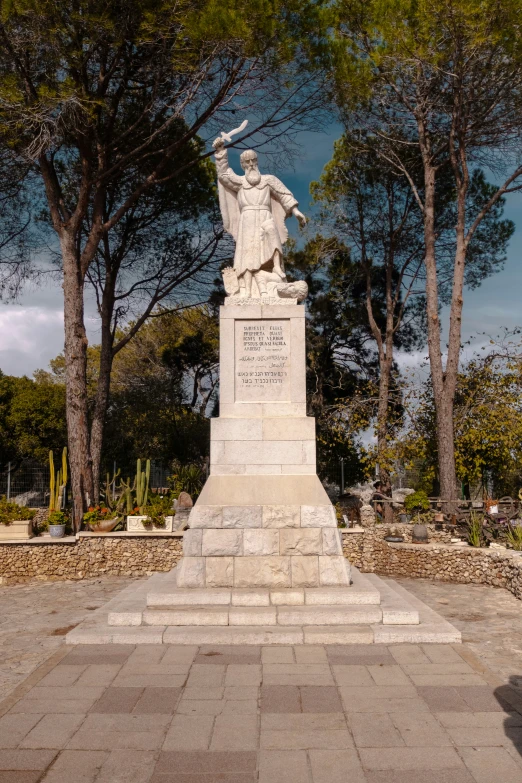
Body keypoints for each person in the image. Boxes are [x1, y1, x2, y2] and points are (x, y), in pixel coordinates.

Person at [213, 138, 306, 298]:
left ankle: (276, 267)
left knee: (272, 233)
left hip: (265, 216)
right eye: (247, 162)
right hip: (247, 220)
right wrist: (221, 152)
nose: (250, 164)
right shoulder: (240, 182)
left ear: (257, 162)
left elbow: (283, 194)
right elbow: (224, 175)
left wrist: (296, 211)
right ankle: (246, 291)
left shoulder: (269, 180)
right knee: (248, 255)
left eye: (253, 161)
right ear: (242, 165)